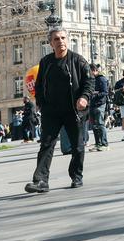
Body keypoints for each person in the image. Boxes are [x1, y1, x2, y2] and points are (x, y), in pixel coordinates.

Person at [24, 27, 93, 193]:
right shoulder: (46, 62)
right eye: (56, 39)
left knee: (77, 146)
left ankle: (76, 176)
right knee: (46, 145)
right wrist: (40, 102)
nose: (60, 41)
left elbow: (89, 83)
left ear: (67, 40)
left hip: (73, 110)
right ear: (50, 43)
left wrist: (84, 98)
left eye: (63, 38)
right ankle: (41, 181)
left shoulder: (78, 61)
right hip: (51, 112)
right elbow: (39, 85)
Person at [89, 64, 109, 151]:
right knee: (94, 125)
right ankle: (98, 144)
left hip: (100, 104)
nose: (89, 74)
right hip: (92, 104)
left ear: (94, 70)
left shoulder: (102, 79)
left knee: (100, 124)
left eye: (90, 72)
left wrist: (95, 94)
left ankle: (105, 144)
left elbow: (105, 92)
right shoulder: (91, 79)